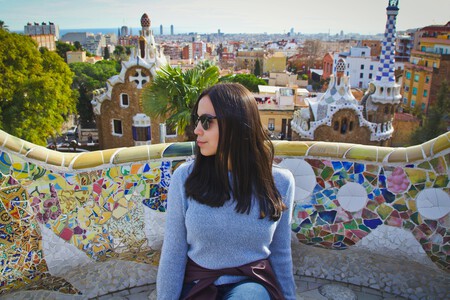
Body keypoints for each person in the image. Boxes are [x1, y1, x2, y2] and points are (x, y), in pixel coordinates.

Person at [156, 83, 296, 300]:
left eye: (206, 122)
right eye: (197, 120)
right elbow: (173, 253)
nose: (197, 130)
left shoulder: (279, 181)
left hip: (251, 285)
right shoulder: (185, 177)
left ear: (235, 124)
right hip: (198, 285)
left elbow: (280, 253)